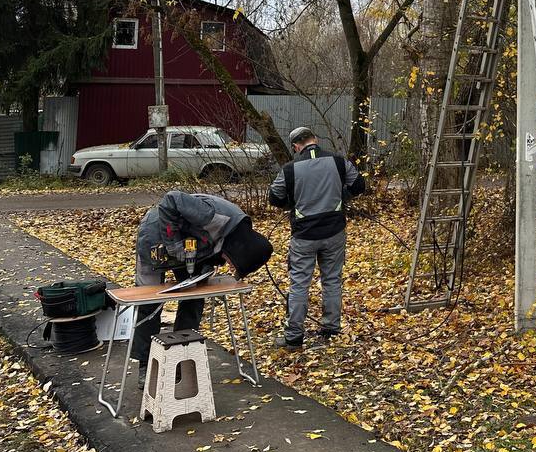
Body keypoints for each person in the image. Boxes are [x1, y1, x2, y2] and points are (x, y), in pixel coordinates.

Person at [132, 190, 274, 366]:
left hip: (190, 248)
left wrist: (206, 267)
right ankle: (146, 365)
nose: (229, 266)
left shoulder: (237, 234)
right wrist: (174, 244)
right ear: (239, 251)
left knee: (194, 298)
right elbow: (171, 200)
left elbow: (213, 247)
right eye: (233, 264)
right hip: (155, 234)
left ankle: (180, 356)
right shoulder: (215, 217)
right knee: (148, 303)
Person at [268, 126, 365, 349]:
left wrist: (292, 205)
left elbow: (274, 197)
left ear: (295, 146)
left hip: (304, 235)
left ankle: (294, 337)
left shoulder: (290, 169)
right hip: (334, 232)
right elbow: (359, 185)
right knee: (332, 280)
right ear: (315, 139)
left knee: (300, 284)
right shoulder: (339, 162)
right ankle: (331, 328)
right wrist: (343, 197)